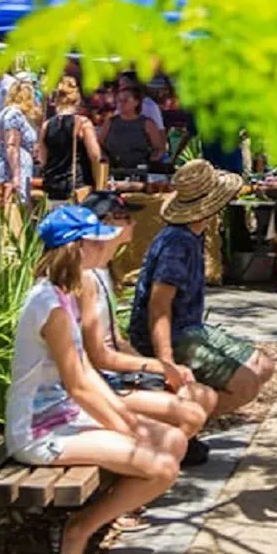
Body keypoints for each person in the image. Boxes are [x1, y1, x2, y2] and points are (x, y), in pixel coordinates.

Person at [5, 205, 188, 554]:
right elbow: (77, 383)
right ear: (77, 248)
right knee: (162, 467)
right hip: (40, 432)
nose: (105, 244)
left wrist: (124, 418)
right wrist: (125, 428)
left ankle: (103, 513)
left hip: (67, 416)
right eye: (96, 239)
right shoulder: (50, 305)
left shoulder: (67, 295)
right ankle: (77, 532)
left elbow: (88, 372)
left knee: (171, 439)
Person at [74, 192, 216, 467]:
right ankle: (143, 465)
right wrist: (158, 367)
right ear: (104, 224)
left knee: (203, 396)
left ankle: (162, 454)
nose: (133, 224)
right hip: (103, 382)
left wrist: (149, 366)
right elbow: (98, 355)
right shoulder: (86, 278)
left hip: (116, 373)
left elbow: (115, 337)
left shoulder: (103, 271)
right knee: (191, 414)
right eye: (125, 218)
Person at [127, 161, 275, 415]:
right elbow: (158, 306)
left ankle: (188, 413)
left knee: (263, 366)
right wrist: (166, 361)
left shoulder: (194, 233)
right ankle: (181, 422)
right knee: (245, 385)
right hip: (174, 334)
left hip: (190, 327)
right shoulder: (177, 244)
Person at [0, 79, 41, 221]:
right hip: (15, 166)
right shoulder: (14, 115)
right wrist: (16, 175)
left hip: (2, 164)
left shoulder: (4, 113)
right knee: (16, 208)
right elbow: (12, 144)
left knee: (4, 207)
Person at [41, 78, 102, 203]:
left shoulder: (46, 125)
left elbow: (42, 160)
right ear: (78, 100)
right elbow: (95, 155)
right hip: (76, 185)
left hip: (52, 185)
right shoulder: (82, 123)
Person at [100, 81, 167, 174]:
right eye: (119, 100)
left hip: (139, 171)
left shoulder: (147, 124)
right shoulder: (110, 122)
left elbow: (159, 148)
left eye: (125, 100)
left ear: (136, 102)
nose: (121, 104)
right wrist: (104, 158)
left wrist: (150, 161)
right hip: (113, 170)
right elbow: (99, 144)